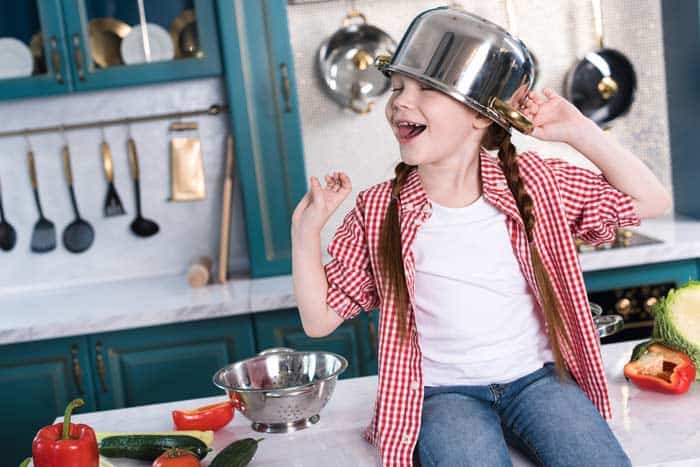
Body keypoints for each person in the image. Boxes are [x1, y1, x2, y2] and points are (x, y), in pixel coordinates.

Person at [291, 6, 671, 467]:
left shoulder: (533, 184)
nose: (399, 102)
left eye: (426, 88)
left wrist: (577, 131)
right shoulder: (378, 209)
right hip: (443, 397)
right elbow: (319, 320)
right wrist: (306, 230)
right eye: (397, 87)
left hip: (537, 381)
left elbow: (652, 201)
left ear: (480, 117)